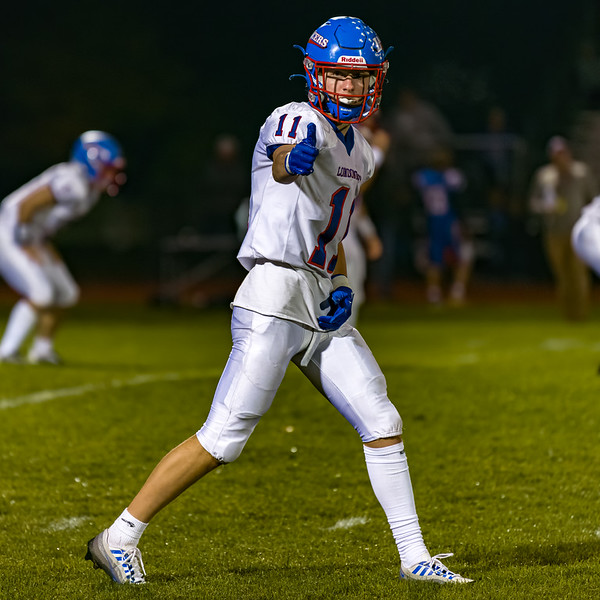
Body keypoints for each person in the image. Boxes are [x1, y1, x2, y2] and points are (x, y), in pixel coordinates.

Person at [85, 16, 472, 586]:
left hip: (316, 297)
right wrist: (293, 158)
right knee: (223, 439)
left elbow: (331, 236)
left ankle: (414, 557)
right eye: (339, 76)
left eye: (359, 78)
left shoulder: (360, 153)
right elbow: (285, 161)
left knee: (382, 420)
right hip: (272, 294)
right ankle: (118, 536)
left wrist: (339, 285)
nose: (349, 88)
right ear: (316, 76)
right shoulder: (296, 118)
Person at [0, 131, 126, 364]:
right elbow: (27, 206)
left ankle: (42, 350)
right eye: (108, 168)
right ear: (92, 162)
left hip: (31, 236)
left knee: (67, 293)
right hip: (9, 233)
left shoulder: (89, 192)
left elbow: (46, 224)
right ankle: (6, 351)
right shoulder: (72, 181)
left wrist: (46, 248)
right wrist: (26, 243)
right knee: (41, 293)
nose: (112, 175)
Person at [529, 136, 598, 320]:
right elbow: (533, 202)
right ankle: (568, 313)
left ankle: (581, 312)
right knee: (562, 274)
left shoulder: (581, 173)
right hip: (554, 231)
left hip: (578, 232)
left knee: (578, 273)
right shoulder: (544, 176)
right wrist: (545, 207)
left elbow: (593, 199)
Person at [412, 146, 473, 306]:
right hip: (440, 222)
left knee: (459, 255)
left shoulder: (425, 177)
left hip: (443, 222)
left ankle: (451, 292)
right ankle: (439, 292)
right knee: (436, 258)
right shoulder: (448, 176)